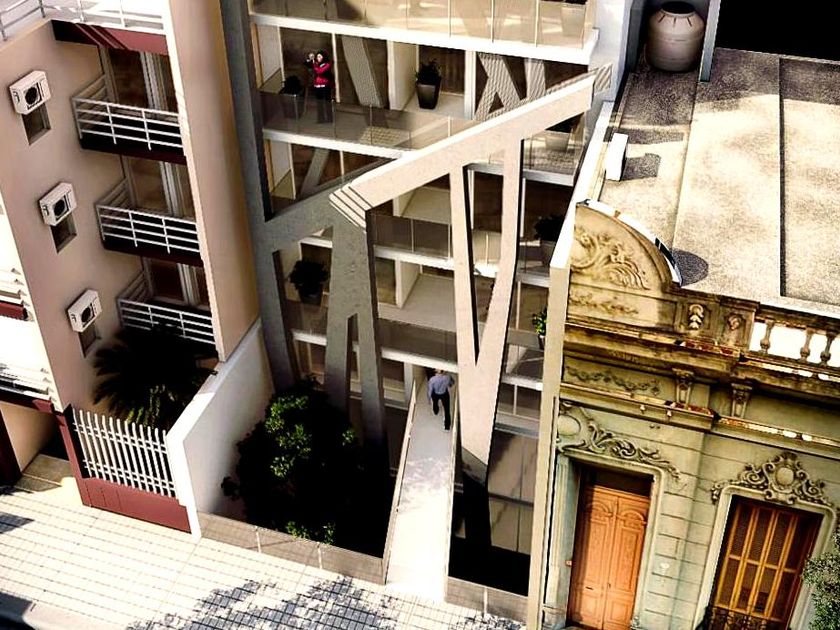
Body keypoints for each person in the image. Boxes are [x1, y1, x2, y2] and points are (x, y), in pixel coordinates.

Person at [305, 51, 333, 123]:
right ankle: (321, 119)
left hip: (325, 86)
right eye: (317, 57)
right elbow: (308, 64)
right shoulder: (317, 64)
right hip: (318, 86)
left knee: (327, 102)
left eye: (320, 56)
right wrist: (310, 59)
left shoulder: (327, 64)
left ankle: (329, 119)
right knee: (319, 103)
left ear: (323, 57)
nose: (318, 58)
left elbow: (320, 71)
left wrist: (314, 64)